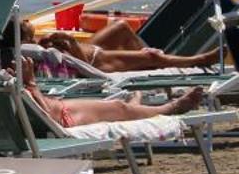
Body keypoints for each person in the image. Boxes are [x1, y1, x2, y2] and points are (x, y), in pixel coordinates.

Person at [22, 58, 204, 126]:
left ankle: (134, 107)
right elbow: (45, 117)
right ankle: (171, 107)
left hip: (60, 109)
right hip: (63, 117)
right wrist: (31, 84)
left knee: (120, 107)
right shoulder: (10, 94)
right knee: (118, 107)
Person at [38, 26, 219, 72]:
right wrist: (72, 42)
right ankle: (199, 60)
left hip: (90, 49)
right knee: (149, 56)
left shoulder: (34, 47)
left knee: (121, 27)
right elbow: (83, 68)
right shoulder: (33, 55)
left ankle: (153, 65)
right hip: (96, 62)